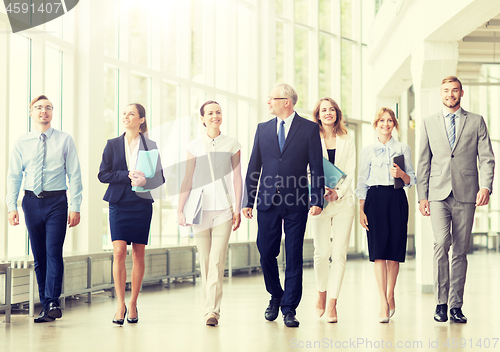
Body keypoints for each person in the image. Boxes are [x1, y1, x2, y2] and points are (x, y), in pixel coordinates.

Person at [242, 83, 324, 328]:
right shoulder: (263, 129)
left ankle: (289, 308)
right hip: (267, 200)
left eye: (272, 98)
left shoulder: (309, 129)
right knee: (266, 252)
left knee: (294, 256)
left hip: (297, 201)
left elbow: (316, 168)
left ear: (286, 101)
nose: (268, 102)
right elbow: (254, 166)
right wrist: (248, 199)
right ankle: (276, 293)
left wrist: (317, 199)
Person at [417, 76, 495, 324]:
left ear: (462, 93)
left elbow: (487, 158)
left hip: (467, 192)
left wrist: (486, 186)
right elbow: (423, 162)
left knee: (460, 251)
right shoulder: (429, 123)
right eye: (445, 91)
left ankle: (455, 306)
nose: (450, 94)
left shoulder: (476, 121)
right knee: (441, 243)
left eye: (454, 90)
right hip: (437, 194)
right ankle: (440, 302)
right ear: (440, 94)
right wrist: (422, 196)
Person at [6, 95, 83, 323]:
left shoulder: (64, 140)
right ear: (31, 113)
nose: (44, 111)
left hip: (57, 202)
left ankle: (51, 301)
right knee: (39, 255)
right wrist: (12, 206)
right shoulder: (22, 142)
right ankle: (46, 304)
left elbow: (75, 175)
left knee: (53, 251)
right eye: (39, 108)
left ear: (52, 113)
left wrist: (76, 206)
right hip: (31, 202)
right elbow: (13, 176)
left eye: (48, 108)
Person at [98, 103, 165, 325]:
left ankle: (133, 302)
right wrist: (126, 175)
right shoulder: (112, 144)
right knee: (118, 252)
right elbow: (103, 175)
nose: (126, 116)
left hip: (141, 204)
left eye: (131, 114)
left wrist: (146, 179)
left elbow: (159, 178)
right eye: (124, 113)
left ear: (141, 120)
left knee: (138, 253)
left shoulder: (150, 145)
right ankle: (120, 304)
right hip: (118, 203)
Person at [177, 101, 242, 326]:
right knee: (205, 260)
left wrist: (238, 207)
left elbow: (237, 179)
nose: (215, 116)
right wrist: (180, 209)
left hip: (224, 210)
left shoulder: (232, 144)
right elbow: (187, 179)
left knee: (216, 260)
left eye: (218, 112)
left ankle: (212, 311)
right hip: (199, 210)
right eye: (210, 113)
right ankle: (209, 307)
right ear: (202, 119)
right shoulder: (194, 146)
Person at [356, 107, 416, 323]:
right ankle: (383, 301)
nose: (386, 124)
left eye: (390, 120)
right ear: (376, 124)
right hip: (375, 199)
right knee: (378, 252)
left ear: (394, 124)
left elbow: (412, 180)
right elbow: (362, 180)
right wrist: (361, 208)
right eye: (382, 120)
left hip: (397, 198)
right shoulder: (367, 150)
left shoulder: (403, 148)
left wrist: (401, 174)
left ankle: (391, 293)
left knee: (394, 253)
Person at [309, 98, 356, 323]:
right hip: (319, 202)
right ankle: (321, 292)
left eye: (332, 110)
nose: (328, 113)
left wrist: (339, 192)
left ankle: (332, 303)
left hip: (343, 203)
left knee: (339, 254)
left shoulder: (348, 139)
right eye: (323, 110)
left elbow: (350, 170)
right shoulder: (310, 138)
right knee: (321, 252)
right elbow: (305, 169)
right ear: (318, 115)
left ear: (337, 113)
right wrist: (319, 191)